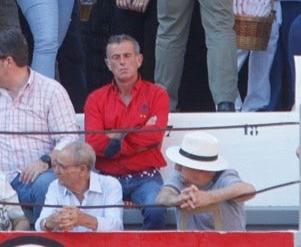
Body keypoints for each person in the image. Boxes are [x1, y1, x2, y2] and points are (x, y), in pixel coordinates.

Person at [0, 29, 79, 223]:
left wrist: (44, 162)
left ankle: (44, 242)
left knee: (47, 184)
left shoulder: (51, 91)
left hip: (35, 179)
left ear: (8, 61)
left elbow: (69, 139)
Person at [83, 34, 168, 230]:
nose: (122, 62)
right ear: (107, 63)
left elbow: (154, 137)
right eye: (116, 57)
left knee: (156, 209)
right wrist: (138, 134)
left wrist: (114, 138)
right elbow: (93, 143)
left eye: (127, 56)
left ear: (139, 60)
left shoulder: (157, 94)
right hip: (106, 178)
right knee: (93, 218)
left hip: (146, 178)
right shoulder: (96, 99)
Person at [156, 130, 253, 231]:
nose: (177, 167)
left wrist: (208, 197)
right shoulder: (180, 176)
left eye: (182, 164)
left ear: (200, 170)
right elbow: (162, 197)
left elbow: (247, 190)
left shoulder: (224, 176)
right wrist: (177, 199)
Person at [35, 142, 122, 232]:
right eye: (55, 165)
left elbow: (116, 226)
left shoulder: (110, 185)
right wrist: (48, 223)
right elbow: (39, 226)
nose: (56, 171)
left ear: (82, 170)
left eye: (61, 167)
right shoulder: (55, 186)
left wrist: (83, 219)